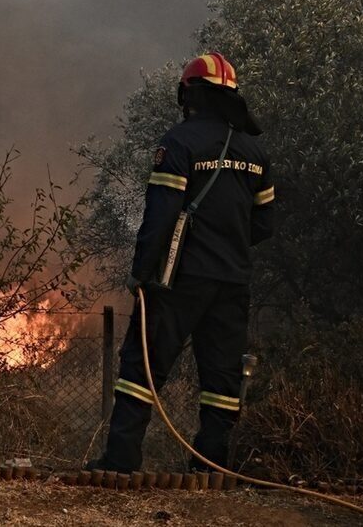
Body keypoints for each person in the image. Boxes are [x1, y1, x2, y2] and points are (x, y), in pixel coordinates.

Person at [88, 52, 274, 474]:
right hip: (232, 282)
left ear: (189, 94)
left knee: (142, 366)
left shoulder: (178, 143)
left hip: (178, 280)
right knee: (222, 380)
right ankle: (209, 466)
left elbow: (159, 218)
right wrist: (226, 243)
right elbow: (264, 224)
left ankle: (120, 461)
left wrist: (141, 273)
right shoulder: (255, 151)